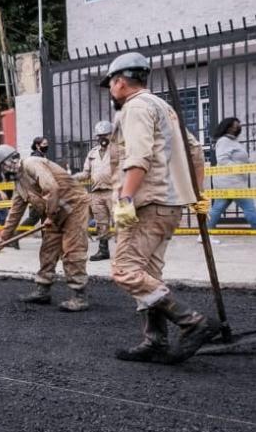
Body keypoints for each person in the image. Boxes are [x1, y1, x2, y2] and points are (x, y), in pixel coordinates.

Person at [102, 51, 219, 364]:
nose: (111, 91)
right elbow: (195, 151)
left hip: (146, 205)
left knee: (125, 271)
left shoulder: (135, 107)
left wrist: (126, 198)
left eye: (110, 85)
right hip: (170, 205)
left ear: (118, 82)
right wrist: (196, 193)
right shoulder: (164, 108)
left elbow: (138, 157)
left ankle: (193, 322)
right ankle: (155, 339)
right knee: (148, 274)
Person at [0, 144, 91, 312]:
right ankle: (42, 290)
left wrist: (50, 217)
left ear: (10, 160)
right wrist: (4, 238)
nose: (4, 170)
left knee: (72, 250)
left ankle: (79, 296)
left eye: (3, 166)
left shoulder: (32, 164)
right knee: (48, 250)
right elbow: (15, 213)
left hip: (74, 207)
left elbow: (52, 188)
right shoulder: (19, 184)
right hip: (55, 213)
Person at [74, 120, 114, 260]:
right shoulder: (92, 153)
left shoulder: (119, 150)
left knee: (122, 222)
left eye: (105, 135)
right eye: (99, 135)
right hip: (96, 193)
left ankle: (127, 252)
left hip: (114, 192)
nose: (102, 138)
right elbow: (86, 174)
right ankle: (103, 251)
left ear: (111, 134)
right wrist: (72, 178)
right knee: (101, 224)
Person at [208, 117, 256, 231]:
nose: (238, 127)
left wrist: (249, 164)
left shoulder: (232, 141)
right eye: (235, 125)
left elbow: (239, 159)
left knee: (217, 209)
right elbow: (223, 160)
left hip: (229, 181)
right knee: (249, 207)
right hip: (232, 181)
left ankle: (205, 234)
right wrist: (241, 168)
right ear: (228, 127)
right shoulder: (224, 141)